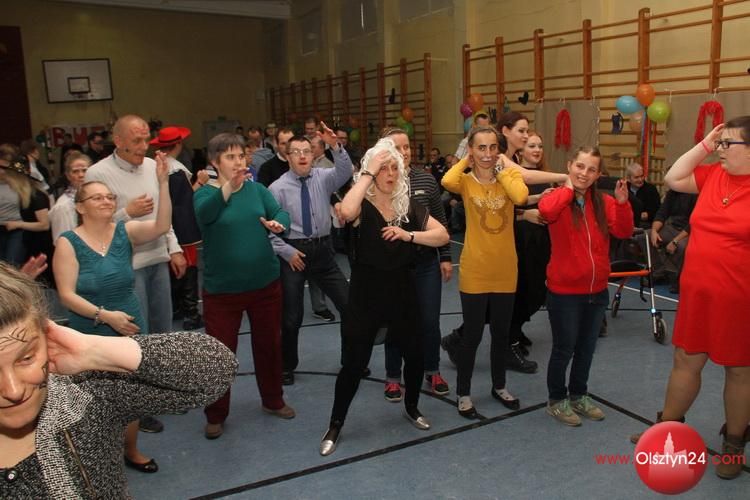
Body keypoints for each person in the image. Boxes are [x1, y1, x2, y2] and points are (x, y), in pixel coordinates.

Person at [0, 262, 237, 498]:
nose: (13, 390)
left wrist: (92, 351)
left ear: (46, 338)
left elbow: (217, 369)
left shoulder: (84, 397)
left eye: (27, 358)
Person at [631, 117, 750, 480]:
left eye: (728, 144)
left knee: (739, 370)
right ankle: (667, 429)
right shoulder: (712, 175)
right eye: (720, 143)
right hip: (697, 293)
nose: (720, 150)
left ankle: (733, 444)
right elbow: (673, 177)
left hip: (739, 298)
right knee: (685, 359)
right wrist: (706, 143)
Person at [319, 138, 449, 456]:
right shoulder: (362, 207)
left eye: (394, 168)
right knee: (354, 364)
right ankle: (335, 423)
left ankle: (412, 406)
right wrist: (367, 172)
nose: (390, 174)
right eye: (383, 168)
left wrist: (409, 235)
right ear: (372, 171)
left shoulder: (409, 207)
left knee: (415, 356)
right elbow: (346, 211)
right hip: (366, 297)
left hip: (403, 293)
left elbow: (442, 234)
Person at [53, 155, 172, 472]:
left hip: (129, 324)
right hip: (90, 329)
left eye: (109, 197)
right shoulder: (68, 243)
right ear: (80, 207)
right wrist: (106, 316)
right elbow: (66, 295)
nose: (106, 201)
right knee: (93, 399)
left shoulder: (125, 231)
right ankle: (97, 459)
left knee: (128, 394)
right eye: (97, 198)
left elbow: (162, 226)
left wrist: (163, 182)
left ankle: (130, 450)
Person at [85, 114, 187, 434]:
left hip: (157, 258)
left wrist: (174, 247)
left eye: (146, 140)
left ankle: (163, 393)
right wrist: (126, 213)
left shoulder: (153, 167)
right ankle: (139, 408)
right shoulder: (97, 173)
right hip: (126, 266)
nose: (144, 147)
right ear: (118, 141)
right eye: (137, 141)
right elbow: (93, 224)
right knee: (135, 337)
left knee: (162, 332)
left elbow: (163, 214)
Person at [194, 132, 294, 440]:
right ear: (215, 163)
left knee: (269, 345)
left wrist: (279, 223)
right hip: (222, 292)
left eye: (241, 156)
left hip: (265, 286)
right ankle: (216, 413)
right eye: (230, 157)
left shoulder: (257, 190)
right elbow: (205, 215)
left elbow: (280, 212)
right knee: (220, 354)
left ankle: (273, 400)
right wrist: (228, 187)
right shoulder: (204, 194)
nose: (238, 162)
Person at [539, 146, 632, 426]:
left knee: (586, 348)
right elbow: (546, 211)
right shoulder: (557, 198)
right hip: (564, 293)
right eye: (580, 166)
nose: (584, 173)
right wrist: (569, 189)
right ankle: (557, 399)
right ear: (569, 166)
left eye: (592, 169)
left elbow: (623, 231)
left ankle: (579, 394)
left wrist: (623, 204)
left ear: (598, 174)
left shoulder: (604, 202)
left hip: (596, 291)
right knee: (564, 349)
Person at [440, 126, 528, 419]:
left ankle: (499, 386)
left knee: (501, 335)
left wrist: (501, 171)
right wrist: (467, 161)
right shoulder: (466, 182)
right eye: (481, 148)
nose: (487, 153)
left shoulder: (510, 176)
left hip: (505, 270)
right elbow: (447, 180)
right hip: (475, 270)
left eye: (493, 147)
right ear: (471, 150)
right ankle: (463, 392)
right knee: (473, 336)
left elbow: (520, 197)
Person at [269, 127, 352, 386]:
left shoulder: (323, 177)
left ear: (313, 154)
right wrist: (287, 251)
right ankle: (286, 366)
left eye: (307, 151)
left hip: (323, 251)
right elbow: (267, 231)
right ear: (288, 157)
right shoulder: (277, 188)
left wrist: (335, 146)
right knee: (291, 316)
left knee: (349, 305)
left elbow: (345, 171)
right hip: (293, 253)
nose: (303, 156)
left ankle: (351, 361)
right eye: (296, 152)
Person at [381, 128, 453, 400]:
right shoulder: (380, 183)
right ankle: (392, 376)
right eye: (397, 147)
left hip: (425, 264)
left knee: (430, 321)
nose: (404, 152)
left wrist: (445, 256)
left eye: (407, 146)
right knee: (396, 322)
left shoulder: (426, 180)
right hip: (394, 268)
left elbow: (440, 221)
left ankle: (432, 370)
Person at [149, 125, 204, 331]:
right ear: (178, 144)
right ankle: (192, 313)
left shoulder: (156, 166)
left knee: (173, 270)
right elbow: (185, 201)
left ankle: (177, 307)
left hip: (165, 225)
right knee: (189, 268)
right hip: (181, 227)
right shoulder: (176, 171)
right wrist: (200, 182)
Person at [509, 131, 553, 363]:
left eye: (540, 146)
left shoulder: (544, 178)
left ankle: (516, 328)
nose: (537, 150)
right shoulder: (516, 178)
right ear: (521, 150)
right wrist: (526, 214)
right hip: (521, 242)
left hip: (540, 242)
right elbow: (506, 213)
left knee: (536, 292)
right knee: (523, 291)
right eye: (532, 146)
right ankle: (512, 334)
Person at [648, 189, 697, 293]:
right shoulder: (672, 192)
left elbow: (693, 223)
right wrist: (654, 231)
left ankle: (680, 281)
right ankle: (658, 272)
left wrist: (675, 241)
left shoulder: (696, 194)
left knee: (683, 247)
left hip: (689, 232)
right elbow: (661, 214)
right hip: (672, 227)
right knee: (646, 236)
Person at [49, 152, 91, 242]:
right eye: (75, 171)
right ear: (68, 176)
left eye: (85, 170)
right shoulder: (63, 206)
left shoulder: (99, 197)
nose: (81, 175)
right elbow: (61, 242)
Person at [626, 162, 661, 228]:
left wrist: (647, 215)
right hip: (627, 222)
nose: (640, 179)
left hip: (645, 224)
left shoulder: (651, 189)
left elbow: (657, 211)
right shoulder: (623, 189)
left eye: (642, 176)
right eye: (636, 177)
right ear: (628, 179)